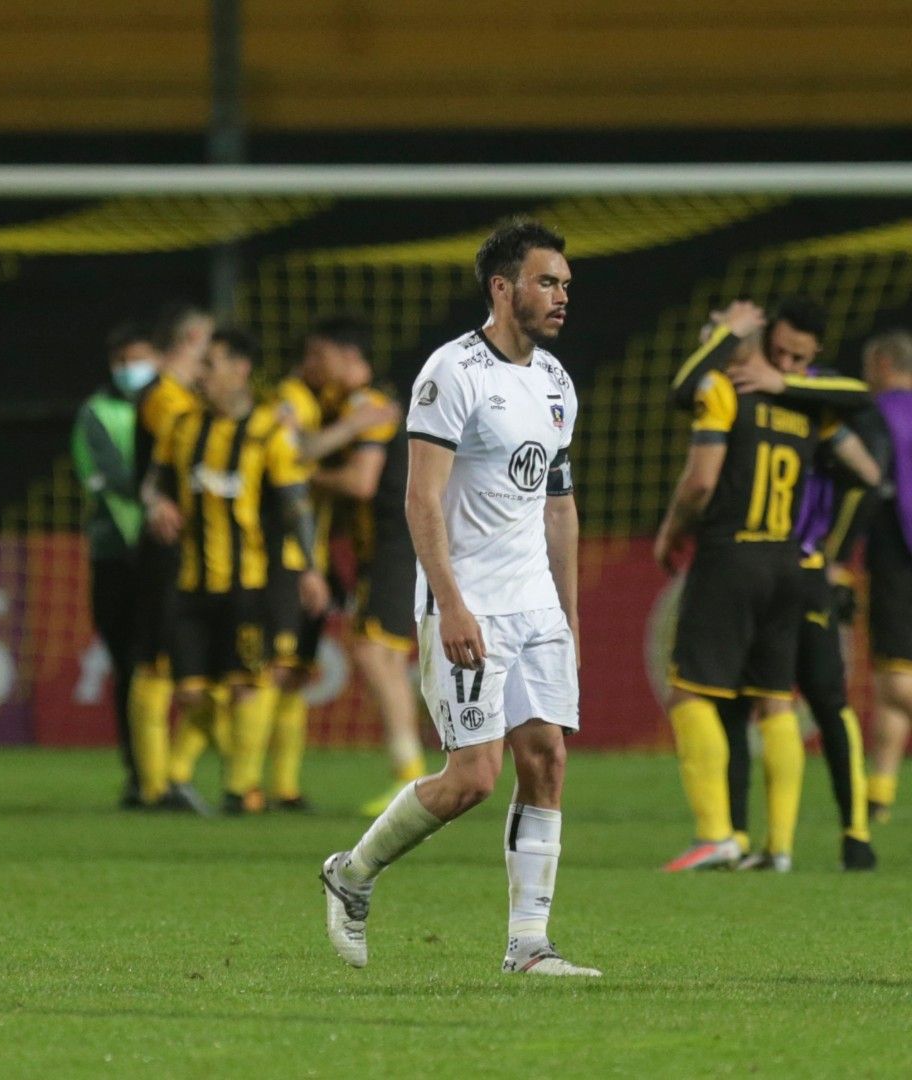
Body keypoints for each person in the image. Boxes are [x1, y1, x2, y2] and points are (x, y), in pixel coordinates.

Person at [321, 219, 598, 977]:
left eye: (566, 284)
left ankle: (529, 945)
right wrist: (451, 602)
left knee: (546, 760)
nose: (561, 296)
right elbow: (420, 500)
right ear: (502, 288)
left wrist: (568, 618)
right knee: (474, 778)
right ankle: (351, 873)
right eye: (547, 282)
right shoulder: (453, 372)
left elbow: (559, 507)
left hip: (536, 604)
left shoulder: (555, 381)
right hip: (469, 599)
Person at [656, 299, 874, 872]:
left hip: (732, 557)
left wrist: (672, 530)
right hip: (788, 566)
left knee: (690, 691)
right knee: (777, 700)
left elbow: (701, 482)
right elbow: (866, 472)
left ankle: (716, 834)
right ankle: (779, 848)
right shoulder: (804, 405)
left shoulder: (726, 391)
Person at [146, 329, 328, 816]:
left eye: (211, 365)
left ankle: (236, 786)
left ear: (240, 370)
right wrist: (156, 503)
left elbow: (296, 508)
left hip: (249, 584)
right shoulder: (182, 426)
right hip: (190, 582)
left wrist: (309, 570)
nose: (201, 374)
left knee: (247, 683)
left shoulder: (270, 432)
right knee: (190, 692)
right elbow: (153, 482)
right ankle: (206, 777)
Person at [265, 330, 400, 810]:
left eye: (317, 353)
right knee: (366, 652)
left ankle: (408, 775)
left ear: (347, 354)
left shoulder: (368, 404)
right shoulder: (328, 403)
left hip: (392, 546)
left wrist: (308, 467)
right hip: (354, 552)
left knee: (371, 648)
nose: (310, 363)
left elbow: (358, 481)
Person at [127, 304, 212, 808]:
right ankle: (157, 783)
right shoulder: (165, 399)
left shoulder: (187, 399)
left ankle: (172, 776)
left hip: (205, 549)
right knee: (156, 662)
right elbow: (175, 461)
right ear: (194, 340)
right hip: (171, 548)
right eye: (210, 349)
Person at [72, 322, 159, 805]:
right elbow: (107, 478)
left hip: (166, 553)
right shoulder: (96, 413)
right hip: (116, 554)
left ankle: (176, 772)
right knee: (128, 662)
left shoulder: (175, 405)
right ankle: (140, 773)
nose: (134, 371)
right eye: (125, 361)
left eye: (142, 359)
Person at [862, 329, 912, 824]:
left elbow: (870, 483)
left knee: (897, 680)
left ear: (880, 362)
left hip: (900, 557)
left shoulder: (880, 414)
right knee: (888, 681)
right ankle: (878, 796)